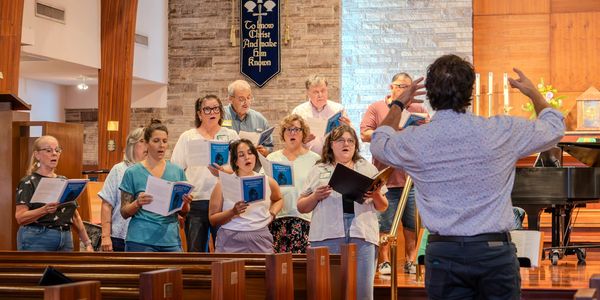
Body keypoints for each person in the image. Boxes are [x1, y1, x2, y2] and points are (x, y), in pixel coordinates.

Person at [370, 54, 565, 299]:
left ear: (429, 95)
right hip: (493, 252)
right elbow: (555, 127)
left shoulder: (417, 140)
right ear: (470, 91)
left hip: (444, 252)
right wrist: (534, 94)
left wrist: (398, 104)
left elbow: (379, 142)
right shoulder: (501, 131)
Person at [297, 124, 388, 300]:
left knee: (362, 293)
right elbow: (301, 206)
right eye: (340, 140)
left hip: (361, 234)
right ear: (331, 144)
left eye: (350, 141)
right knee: (329, 290)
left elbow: (383, 206)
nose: (346, 144)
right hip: (327, 234)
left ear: (355, 146)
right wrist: (315, 196)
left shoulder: (367, 168)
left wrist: (375, 194)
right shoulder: (319, 169)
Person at [360, 72, 429, 275]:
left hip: (411, 179)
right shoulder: (377, 108)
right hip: (386, 178)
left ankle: (410, 260)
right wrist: (390, 130)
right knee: (384, 223)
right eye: (401, 86)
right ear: (392, 87)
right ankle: (384, 262)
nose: (405, 89)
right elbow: (365, 133)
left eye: (409, 87)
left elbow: (427, 136)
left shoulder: (417, 109)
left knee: (411, 224)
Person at [171, 94, 239, 252]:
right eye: (207, 109)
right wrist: (178, 205)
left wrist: (222, 171)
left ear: (221, 112)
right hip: (196, 201)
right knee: (196, 251)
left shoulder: (231, 136)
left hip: (224, 201)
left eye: (215, 108)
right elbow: (176, 170)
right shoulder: (188, 137)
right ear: (199, 113)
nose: (212, 112)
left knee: (224, 249)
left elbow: (238, 168)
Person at [119, 119, 193, 252]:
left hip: (170, 239)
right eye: (156, 141)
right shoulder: (132, 172)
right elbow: (124, 212)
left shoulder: (177, 171)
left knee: (174, 273)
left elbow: (184, 212)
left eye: (164, 141)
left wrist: (185, 203)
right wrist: (137, 203)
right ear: (146, 144)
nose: (161, 145)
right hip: (140, 239)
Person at [15, 135, 94, 252]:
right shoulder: (28, 182)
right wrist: (44, 210)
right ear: (37, 155)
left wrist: (87, 243)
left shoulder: (63, 180)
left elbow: (75, 216)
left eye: (57, 150)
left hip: (65, 237)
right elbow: (20, 217)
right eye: (48, 150)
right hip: (37, 237)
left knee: (63, 271)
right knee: (39, 271)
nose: (54, 153)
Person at [209, 139, 283, 253]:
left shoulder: (268, 181)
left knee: (264, 271)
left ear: (255, 156)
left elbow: (278, 199)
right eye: (241, 155)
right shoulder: (222, 183)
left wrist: (272, 214)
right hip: (231, 237)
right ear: (235, 161)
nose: (247, 158)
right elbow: (213, 219)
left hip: (260, 236)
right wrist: (232, 212)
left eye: (250, 153)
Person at [267, 114, 320, 253]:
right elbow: (264, 186)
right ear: (283, 134)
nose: (292, 133)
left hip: (306, 220)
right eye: (288, 129)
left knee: (304, 268)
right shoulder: (273, 158)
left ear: (303, 134)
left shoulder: (315, 159)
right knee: (280, 268)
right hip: (279, 219)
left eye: (296, 129)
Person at [98, 127, 146, 252]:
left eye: (149, 141)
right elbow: (107, 204)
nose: (147, 145)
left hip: (145, 238)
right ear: (132, 144)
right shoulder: (119, 170)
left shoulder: (154, 171)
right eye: (142, 141)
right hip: (119, 236)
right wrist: (106, 236)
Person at [291, 74, 352, 154]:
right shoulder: (298, 112)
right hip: (307, 157)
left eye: (323, 91)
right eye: (316, 92)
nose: (320, 95)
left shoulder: (338, 109)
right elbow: (291, 139)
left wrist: (349, 127)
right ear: (308, 93)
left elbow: (350, 138)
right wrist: (302, 141)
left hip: (334, 157)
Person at [223, 80, 273, 156]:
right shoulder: (220, 116)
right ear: (230, 99)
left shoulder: (260, 119)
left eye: (248, 98)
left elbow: (269, 147)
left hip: (253, 166)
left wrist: (265, 152)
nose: (246, 102)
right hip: (228, 165)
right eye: (241, 99)